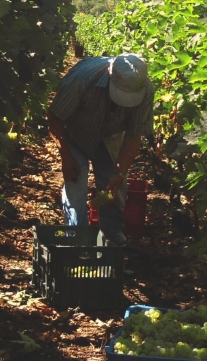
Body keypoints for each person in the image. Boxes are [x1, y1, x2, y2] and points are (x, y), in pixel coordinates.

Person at [47, 54, 154, 246]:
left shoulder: (145, 90)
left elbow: (133, 136)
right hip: (75, 133)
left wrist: (120, 171)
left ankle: (112, 236)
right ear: (110, 77)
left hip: (109, 137)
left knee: (114, 185)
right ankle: (75, 238)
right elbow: (55, 116)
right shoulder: (83, 79)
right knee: (76, 182)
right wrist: (66, 155)